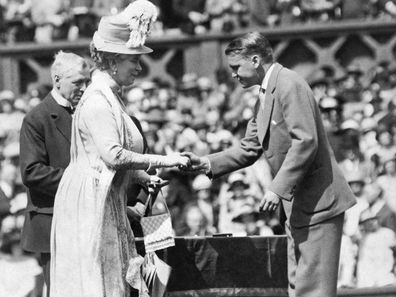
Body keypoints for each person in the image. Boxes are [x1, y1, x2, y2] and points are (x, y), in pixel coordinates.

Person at [183, 32, 356, 297]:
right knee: (299, 286)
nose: (233, 74)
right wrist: (206, 162)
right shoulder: (264, 95)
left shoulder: (288, 83)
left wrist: (276, 188)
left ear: (255, 60)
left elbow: (305, 141)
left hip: (319, 204)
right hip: (299, 206)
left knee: (314, 290)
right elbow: (249, 146)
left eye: (235, 67)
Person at [49, 1, 190, 297]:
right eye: (133, 60)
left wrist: (143, 178)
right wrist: (168, 161)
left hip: (113, 195)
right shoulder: (99, 100)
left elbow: (119, 155)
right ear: (114, 60)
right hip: (91, 198)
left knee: (125, 275)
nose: (139, 66)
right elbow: (113, 154)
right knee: (99, 279)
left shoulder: (112, 98)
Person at [19, 51, 90, 295]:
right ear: (57, 79)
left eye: (87, 81)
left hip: (87, 221)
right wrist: (82, 180)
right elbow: (32, 172)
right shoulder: (36, 118)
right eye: (78, 82)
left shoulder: (87, 112)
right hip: (53, 222)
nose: (84, 87)